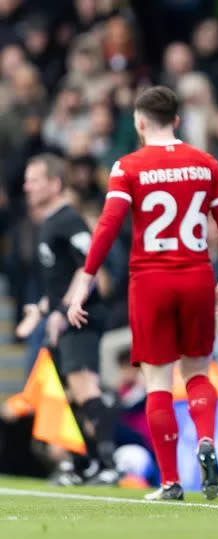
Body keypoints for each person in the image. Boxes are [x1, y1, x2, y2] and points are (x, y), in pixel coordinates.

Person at [66, 86, 218, 501]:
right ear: (177, 121)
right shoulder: (205, 163)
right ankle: (206, 440)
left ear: (140, 122)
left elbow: (107, 226)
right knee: (198, 371)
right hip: (197, 274)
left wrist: (85, 277)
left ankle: (169, 482)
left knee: (158, 381)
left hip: (151, 280)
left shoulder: (128, 166)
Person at [16, 154, 119, 485]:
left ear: (55, 183)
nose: (26, 186)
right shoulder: (49, 223)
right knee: (66, 391)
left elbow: (89, 264)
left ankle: (107, 463)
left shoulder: (68, 219)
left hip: (82, 316)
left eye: (34, 179)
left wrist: (64, 311)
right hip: (65, 314)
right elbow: (61, 283)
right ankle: (84, 462)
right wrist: (41, 311)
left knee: (83, 386)